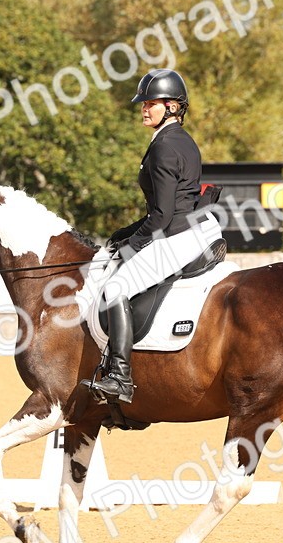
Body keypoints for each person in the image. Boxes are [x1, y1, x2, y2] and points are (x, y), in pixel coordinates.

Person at [81, 69, 222, 404]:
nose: (144, 109)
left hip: (175, 237)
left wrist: (134, 243)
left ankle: (120, 376)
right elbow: (170, 205)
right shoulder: (182, 141)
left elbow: (160, 217)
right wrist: (126, 232)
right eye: (144, 103)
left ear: (173, 107)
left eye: (152, 103)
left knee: (116, 287)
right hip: (191, 229)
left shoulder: (163, 147)